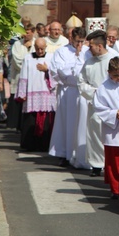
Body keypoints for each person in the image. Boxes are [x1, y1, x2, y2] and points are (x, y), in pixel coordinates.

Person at [78, 30, 117, 174]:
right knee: (94, 133)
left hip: (111, 105)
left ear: (100, 46)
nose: (89, 49)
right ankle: (96, 164)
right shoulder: (88, 63)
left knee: (110, 136)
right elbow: (81, 82)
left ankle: (110, 164)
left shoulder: (114, 59)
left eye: (91, 46)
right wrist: (94, 92)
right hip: (94, 103)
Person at [48, 27, 88, 167]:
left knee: (81, 124)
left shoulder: (87, 52)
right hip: (68, 90)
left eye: (82, 42)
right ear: (71, 38)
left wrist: (80, 55)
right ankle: (64, 153)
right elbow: (59, 70)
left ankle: (79, 153)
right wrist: (76, 57)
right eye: (77, 41)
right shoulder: (62, 51)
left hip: (82, 91)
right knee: (67, 123)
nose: (79, 45)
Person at [93, 57, 119, 199]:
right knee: (114, 161)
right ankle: (116, 189)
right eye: (115, 75)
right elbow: (98, 107)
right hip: (113, 129)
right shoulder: (103, 88)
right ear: (108, 72)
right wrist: (115, 113)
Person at [16, 38, 56, 151]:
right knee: (30, 120)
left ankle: (44, 145)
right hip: (31, 93)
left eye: (42, 48)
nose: (39, 51)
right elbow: (23, 75)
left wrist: (47, 70)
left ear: (46, 47)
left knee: (46, 122)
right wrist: (22, 93)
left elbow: (56, 75)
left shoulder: (51, 57)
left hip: (47, 94)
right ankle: (29, 145)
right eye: (37, 48)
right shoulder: (28, 58)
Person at [7, 23, 36, 130]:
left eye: (28, 33)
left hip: (33, 78)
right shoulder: (17, 44)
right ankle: (16, 126)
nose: (25, 35)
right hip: (19, 76)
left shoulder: (36, 44)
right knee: (18, 101)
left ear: (33, 32)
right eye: (24, 32)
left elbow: (37, 59)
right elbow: (17, 61)